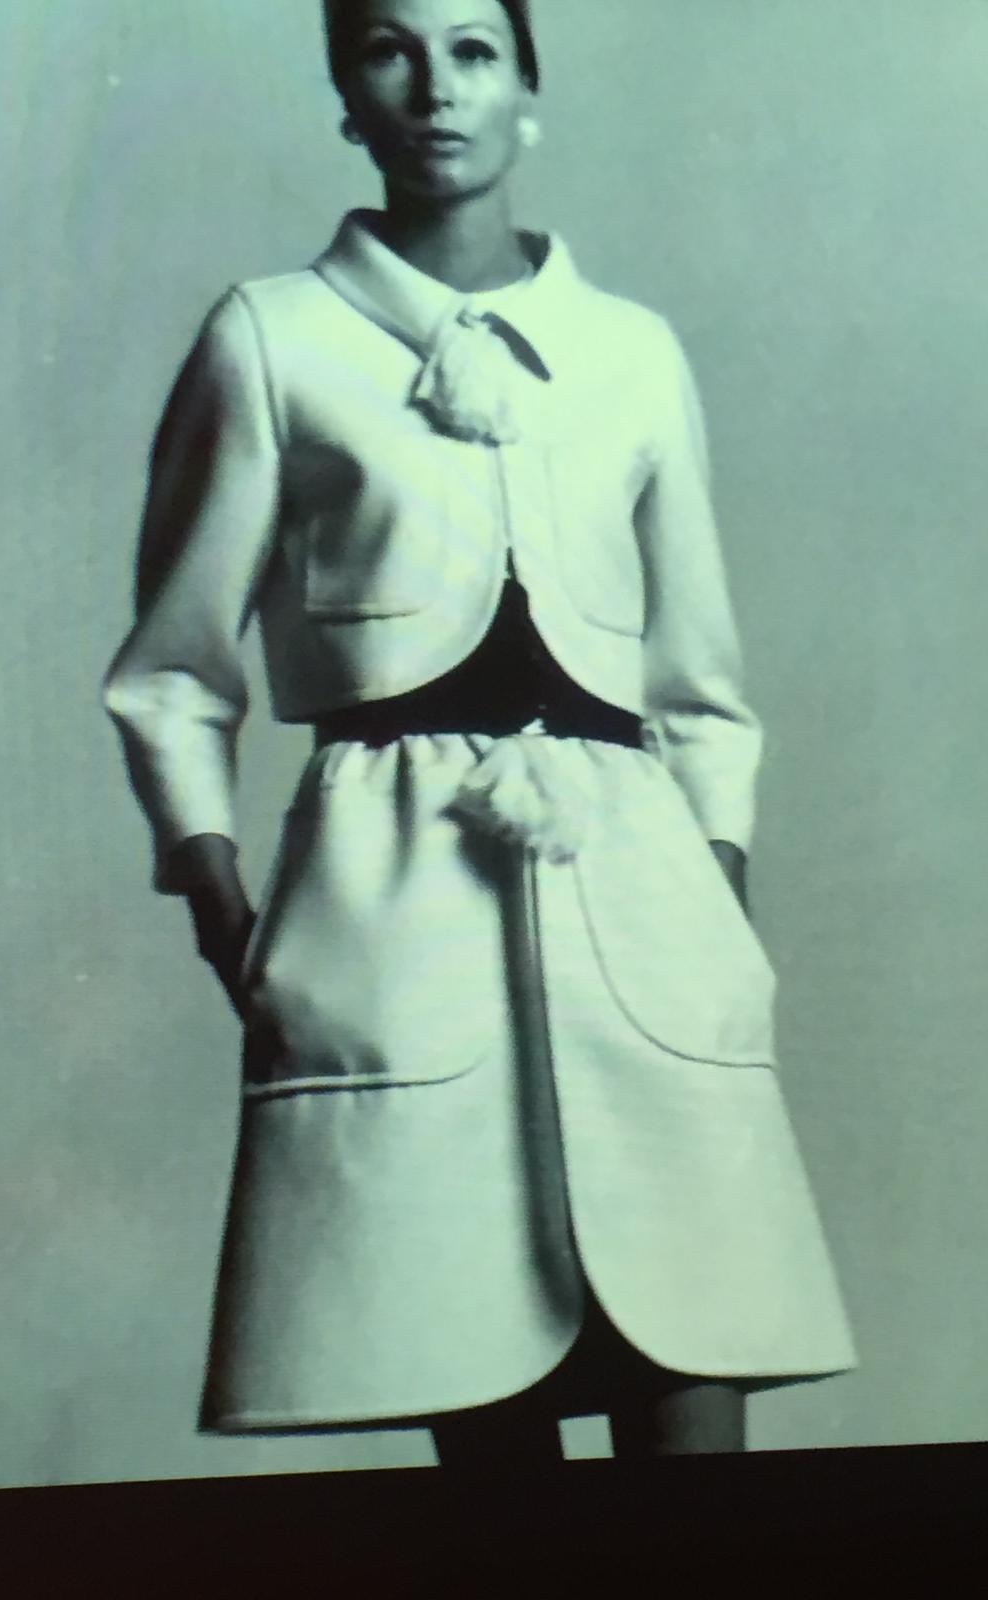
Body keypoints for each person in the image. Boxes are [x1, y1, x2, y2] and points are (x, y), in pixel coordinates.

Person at [102, 0, 856, 1471]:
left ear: (526, 86)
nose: (436, 89)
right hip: (396, 891)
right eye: (388, 50)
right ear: (345, 95)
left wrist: (719, 902)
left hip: (637, 886)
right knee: (475, 1379)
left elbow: (701, 687)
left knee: (697, 1378)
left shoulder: (630, 352)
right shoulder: (272, 337)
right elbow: (175, 672)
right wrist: (222, 906)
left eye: (472, 50)